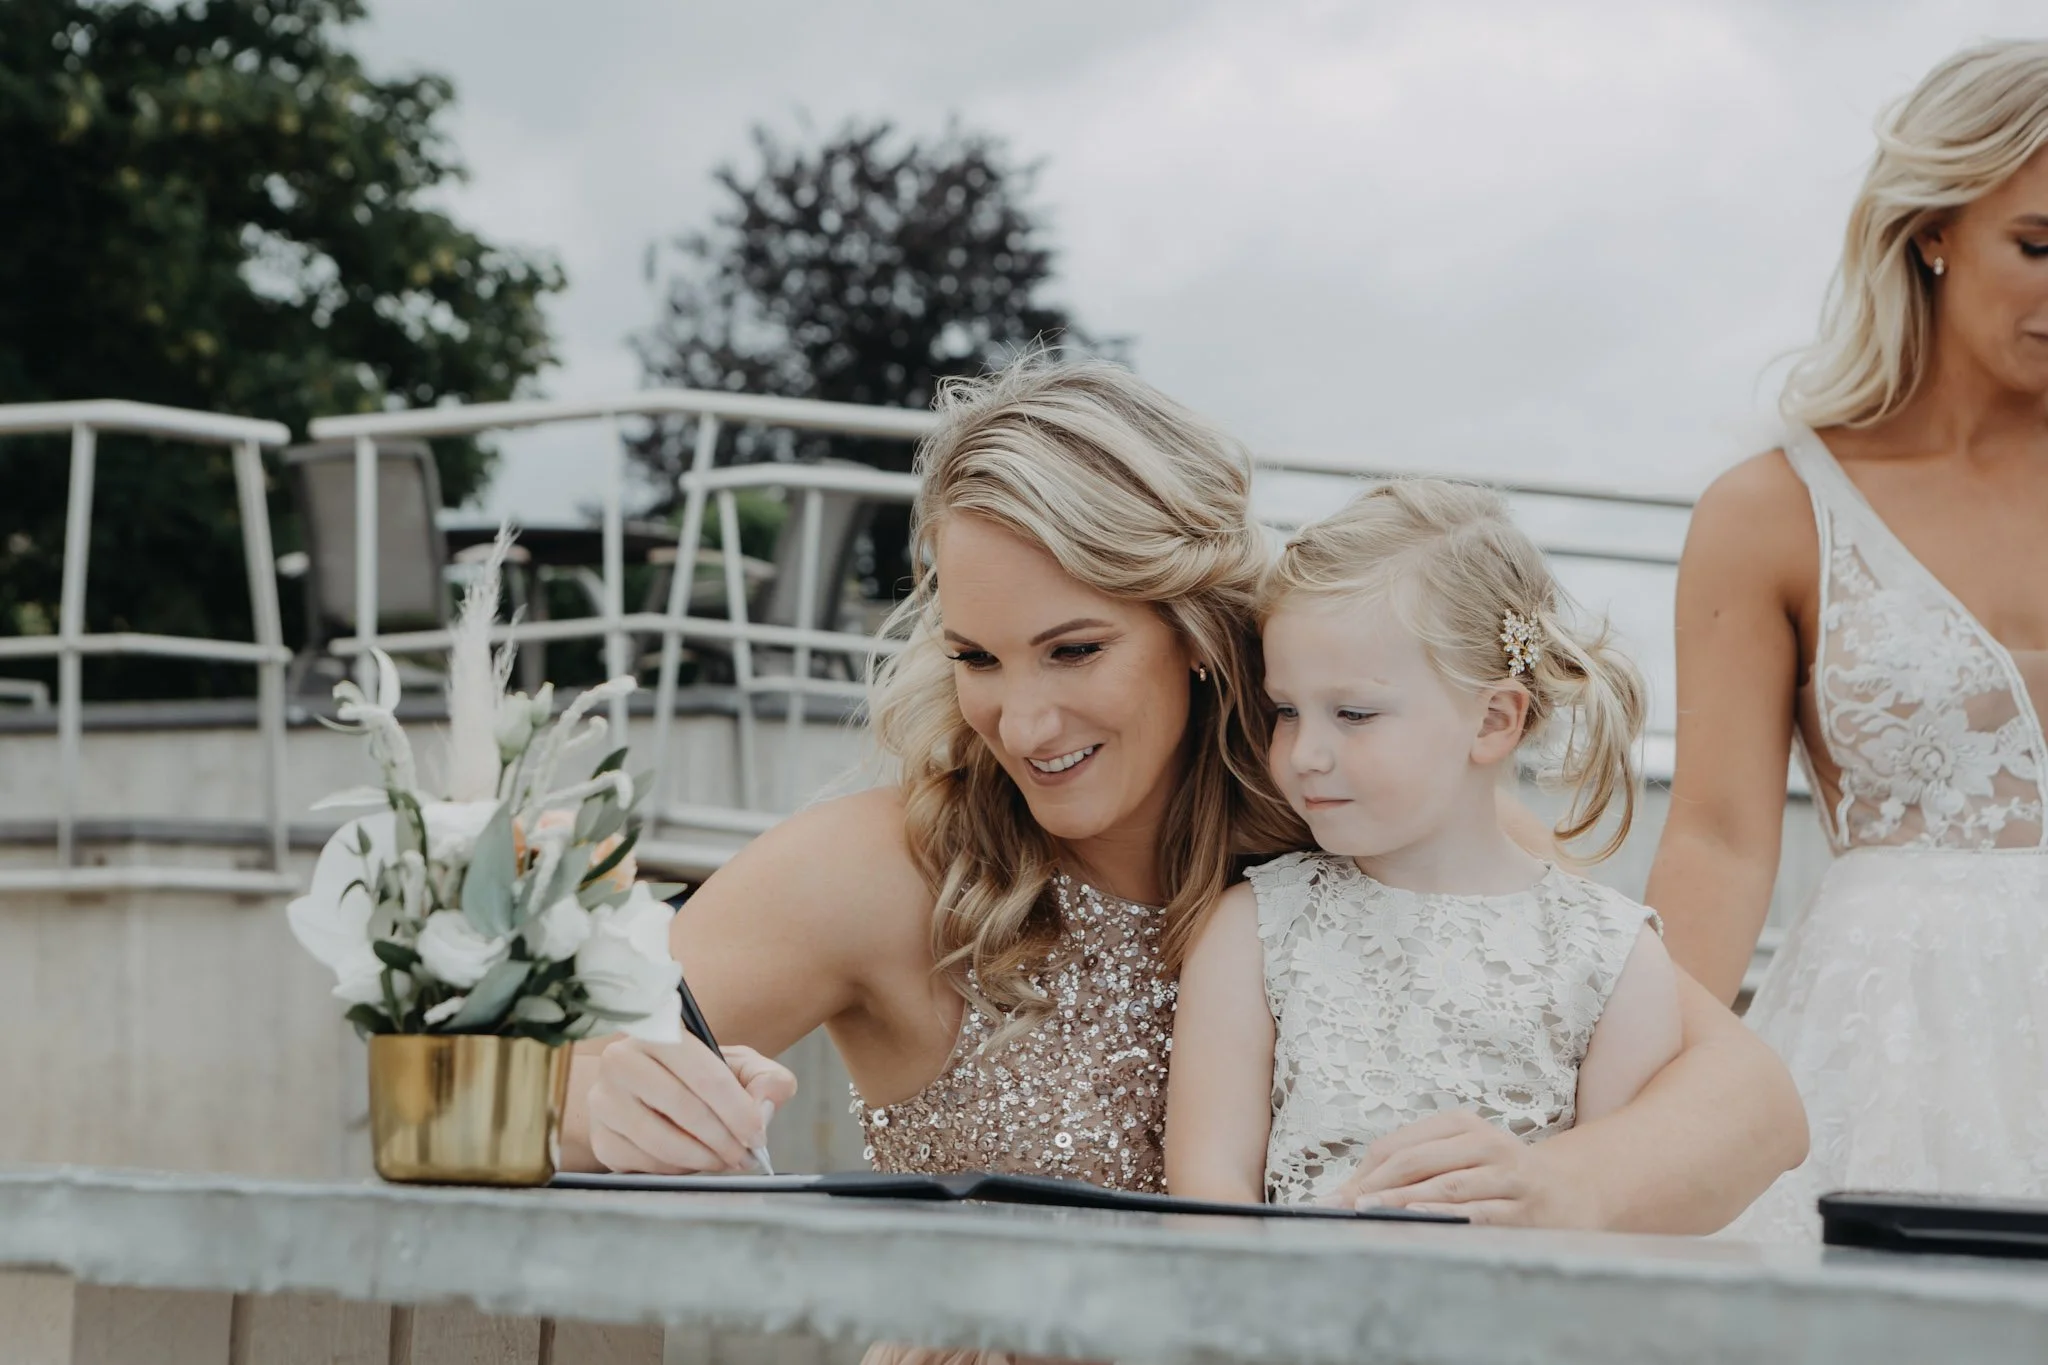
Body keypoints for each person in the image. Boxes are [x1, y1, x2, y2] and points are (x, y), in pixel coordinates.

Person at [563, 355, 1806, 1234]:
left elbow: (1746, 1101)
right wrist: (596, 1102)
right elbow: (548, 1075)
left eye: (1073, 649)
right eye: (975, 659)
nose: (1022, 721)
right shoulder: (878, 870)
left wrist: (1561, 1190)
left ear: (1195, 629)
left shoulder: (1375, 836)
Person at [1647, 40, 2048, 1241]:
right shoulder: (1770, 512)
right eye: (2037, 247)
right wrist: (1617, 1120)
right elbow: (1718, 842)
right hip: (1888, 1048)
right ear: (1929, 228)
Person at [1167, 480, 1683, 1211]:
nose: (1306, 752)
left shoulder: (1611, 958)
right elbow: (1207, 1191)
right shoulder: (1254, 927)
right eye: (1286, 709)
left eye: (1353, 712)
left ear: (1493, 721)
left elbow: (1618, 1209)